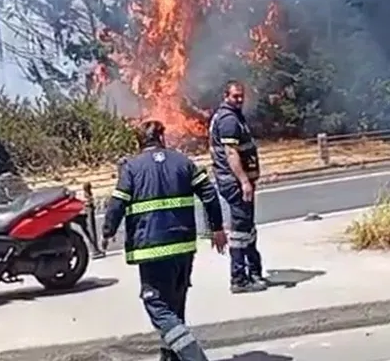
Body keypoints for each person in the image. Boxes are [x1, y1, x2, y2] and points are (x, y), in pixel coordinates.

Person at [103, 119, 228, 361]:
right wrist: (217, 228)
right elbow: (209, 194)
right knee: (175, 305)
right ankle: (170, 358)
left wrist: (108, 231)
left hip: (151, 249)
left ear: (139, 142)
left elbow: (117, 202)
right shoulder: (183, 162)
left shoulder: (132, 168)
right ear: (162, 138)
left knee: (157, 306)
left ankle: (194, 358)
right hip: (183, 247)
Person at [209, 79, 268, 293]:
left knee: (247, 229)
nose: (240, 99)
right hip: (234, 183)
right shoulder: (228, 120)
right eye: (235, 96)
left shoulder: (233, 116)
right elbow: (231, 153)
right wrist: (244, 181)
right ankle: (239, 279)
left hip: (238, 181)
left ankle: (253, 272)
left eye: (242, 95)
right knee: (241, 231)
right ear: (226, 96)